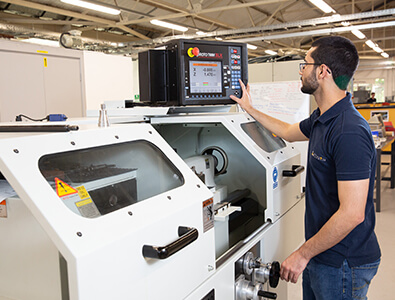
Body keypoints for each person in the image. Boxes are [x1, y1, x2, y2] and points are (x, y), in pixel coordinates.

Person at [230, 36, 381, 300]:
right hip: (322, 253)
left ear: (323, 71)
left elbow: (353, 214)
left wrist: (302, 253)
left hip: (343, 263)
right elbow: (288, 131)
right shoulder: (323, 118)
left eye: (305, 64)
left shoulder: (349, 131)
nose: (301, 71)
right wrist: (249, 108)